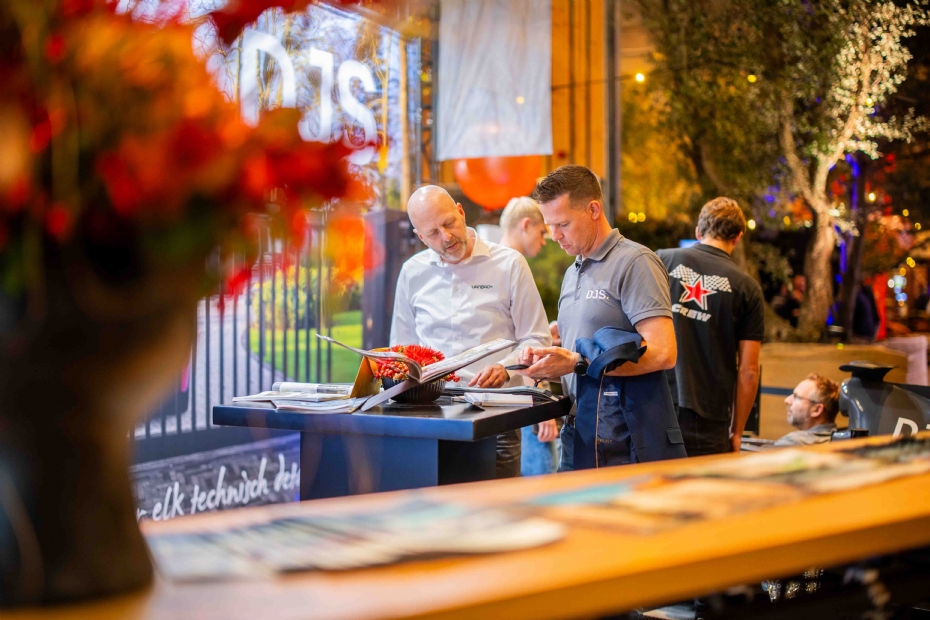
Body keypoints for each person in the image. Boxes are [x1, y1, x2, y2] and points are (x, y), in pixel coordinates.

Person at [516, 165, 683, 469]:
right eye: (550, 225)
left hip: (624, 438)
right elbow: (585, 342)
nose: (554, 236)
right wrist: (556, 347)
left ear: (593, 209)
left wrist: (578, 363)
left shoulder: (636, 263)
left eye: (563, 224)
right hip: (577, 431)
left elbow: (663, 353)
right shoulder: (573, 270)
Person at [390, 185, 551, 478]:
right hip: (431, 416)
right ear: (420, 237)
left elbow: (537, 338)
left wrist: (504, 368)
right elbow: (401, 350)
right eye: (433, 233)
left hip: (497, 414)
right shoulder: (412, 273)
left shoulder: (509, 264)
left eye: (449, 223)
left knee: (498, 513)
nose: (446, 237)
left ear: (461, 212)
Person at [656, 197, 764, 456]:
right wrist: (737, 432)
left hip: (655, 404)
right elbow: (748, 371)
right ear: (737, 238)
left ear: (698, 232)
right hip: (710, 419)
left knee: (651, 492)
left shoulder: (661, 261)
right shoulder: (747, 288)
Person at [498, 196, 558, 476]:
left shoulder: (497, 268)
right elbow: (527, 346)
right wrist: (541, 398)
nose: (546, 240)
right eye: (542, 231)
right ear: (525, 225)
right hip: (517, 398)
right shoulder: (511, 267)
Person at [772, 374, 840, 447]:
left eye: (796, 397)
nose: (787, 400)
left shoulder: (794, 443)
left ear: (817, 410)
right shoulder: (843, 441)